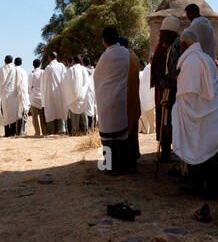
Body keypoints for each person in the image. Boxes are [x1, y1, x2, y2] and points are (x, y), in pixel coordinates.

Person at [173, 27, 218, 199]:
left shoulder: (191, 62)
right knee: (208, 151)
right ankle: (204, 186)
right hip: (208, 114)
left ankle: (208, 189)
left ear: (183, 44)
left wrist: (180, 108)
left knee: (201, 151)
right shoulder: (204, 58)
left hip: (197, 116)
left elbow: (187, 93)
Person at [95, 27, 141, 173]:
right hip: (121, 100)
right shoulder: (126, 54)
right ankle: (124, 165)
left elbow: (97, 78)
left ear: (104, 41)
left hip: (106, 102)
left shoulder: (105, 57)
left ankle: (109, 166)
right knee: (121, 137)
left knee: (108, 140)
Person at [156, 15, 183, 162]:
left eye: (162, 35)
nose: (160, 39)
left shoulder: (178, 48)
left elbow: (174, 74)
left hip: (175, 92)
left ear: (171, 34)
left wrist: (165, 82)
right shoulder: (171, 47)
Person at [40, 52, 69, 135]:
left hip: (50, 93)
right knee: (59, 111)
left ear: (50, 57)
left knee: (51, 112)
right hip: (60, 92)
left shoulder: (48, 68)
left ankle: (51, 131)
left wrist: (43, 94)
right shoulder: (62, 66)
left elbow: (44, 83)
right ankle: (60, 130)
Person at [64, 56, 91, 135]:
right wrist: (82, 94)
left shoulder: (70, 70)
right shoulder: (84, 70)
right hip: (82, 98)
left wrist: (70, 96)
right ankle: (84, 132)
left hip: (72, 98)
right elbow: (86, 84)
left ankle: (75, 132)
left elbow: (67, 84)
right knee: (83, 117)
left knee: (74, 118)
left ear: (73, 61)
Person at [0, 55, 22, 137]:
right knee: (13, 113)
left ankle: (7, 132)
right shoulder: (15, 69)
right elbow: (18, 82)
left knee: (6, 114)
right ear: (12, 61)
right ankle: (13, 132)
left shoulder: (0, 70)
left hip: (4, 94)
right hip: (13, 94)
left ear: (5, 61)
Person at [28, 58, 46, 136]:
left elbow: (30, 86)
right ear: (40, 64)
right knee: (43, 118)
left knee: (35, 118)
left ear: (33, 65)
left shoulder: (31, 74)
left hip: (34, 98)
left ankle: (37, 132)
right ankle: (45, 132)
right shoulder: (43, 72)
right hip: (42, 98)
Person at [13, 57, 31, 135]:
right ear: (21, 63)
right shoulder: (24, 71)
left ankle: (16, 131)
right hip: (23, 94)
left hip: (15, 95)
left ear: (14, 62)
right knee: (23, 113)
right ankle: (22, 131)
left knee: (15, 114)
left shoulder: (13, 70)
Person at [138, 59, 154, 134]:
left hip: (143, 97)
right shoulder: (147, 71)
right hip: (150, 98)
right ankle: (146, 130)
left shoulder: (144, 72)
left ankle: (144, 129)